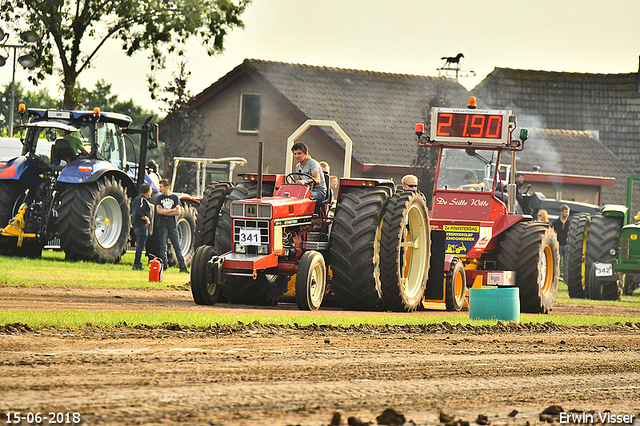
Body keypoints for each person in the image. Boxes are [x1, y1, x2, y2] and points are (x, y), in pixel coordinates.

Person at [155, 178, 189, 273]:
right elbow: (158, 211)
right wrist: (171, 211)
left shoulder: (175, 198)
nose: (160, 188)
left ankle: (183, 266)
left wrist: (165, 212)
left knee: (177, 246)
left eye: (161, 187)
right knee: (163, 245)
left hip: (172, 225)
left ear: (167, 187)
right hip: (162, 224)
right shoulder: (159, 198)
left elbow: (178, 211)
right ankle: (164, 266)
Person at [131, 184, 153, 271]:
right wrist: (146, 218)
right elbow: (138, 212)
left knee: (140, 245)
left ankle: (138, 263)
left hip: (139, 225)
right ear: (148, 192)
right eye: (150, 190)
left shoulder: (139, 199)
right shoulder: (141, 200)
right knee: (140, 245)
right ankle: (137, 264)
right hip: (141, 226)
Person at [552, 205, 571, 272]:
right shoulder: (555, 223)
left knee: (566, 263)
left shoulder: (570, 223)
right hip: (558, 245)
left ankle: (565, 277)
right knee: (557, 262)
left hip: (566, 245)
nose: (567, 214)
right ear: (561, 212)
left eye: (568, 212)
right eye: (565, 212)